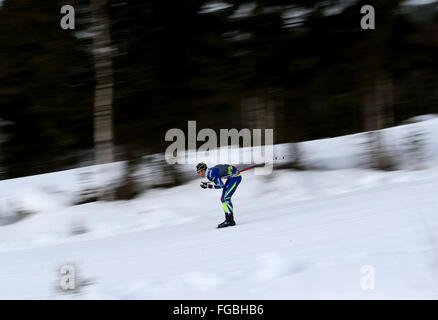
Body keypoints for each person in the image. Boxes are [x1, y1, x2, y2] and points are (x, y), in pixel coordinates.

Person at [196, 162, 242, 228]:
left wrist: (209, 186)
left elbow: (221, 186)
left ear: (203, 171)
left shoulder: (211, 174)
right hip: (231, 177)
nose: (198, 174)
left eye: (198, 172)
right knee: (223, 199)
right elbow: (217, 179)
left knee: (226, 198)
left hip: (235, 177)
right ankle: (227, 219)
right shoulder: (210, 173)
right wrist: (208, 185)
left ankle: (231, 220)